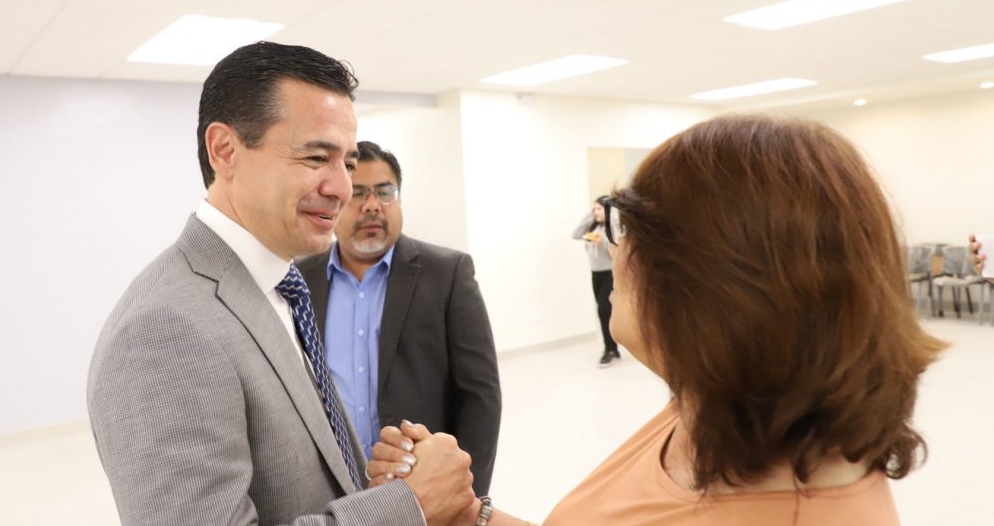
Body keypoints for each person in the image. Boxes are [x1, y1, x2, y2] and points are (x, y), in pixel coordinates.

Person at [368, 114, 946, 525]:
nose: (616, 249)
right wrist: (467, 512)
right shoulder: (719, 407)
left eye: (630, 229)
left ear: (712, 278)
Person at [87, 42, 476, 525]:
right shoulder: (165, 329)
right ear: (225, 150)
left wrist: (388, 488)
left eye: (347, 163)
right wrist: (409, 506)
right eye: (315, 157)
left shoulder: (280, 285)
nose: (342, 188)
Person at [297, 141, 501, 495]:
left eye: (384, 192)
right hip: (332, 491)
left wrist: (465, 495)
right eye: (357, 192)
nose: (372, 205)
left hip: (421, 487)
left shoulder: (447, 273)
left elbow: (481, 396)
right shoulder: (301, 280)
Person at [571, 195, 620, 366]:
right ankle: (613, 347)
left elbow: (615, 250)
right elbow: (576, 234)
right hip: (596, 275)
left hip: (609, 274)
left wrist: (602, 241)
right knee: (603, 311)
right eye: (594, 209)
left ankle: (609, 349)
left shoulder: (611, 229)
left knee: (603, 311)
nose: (596, 212)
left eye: (599, 208)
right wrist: (591, 215)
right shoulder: (593, 227)